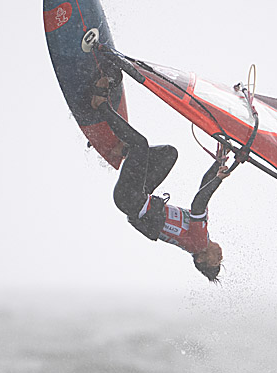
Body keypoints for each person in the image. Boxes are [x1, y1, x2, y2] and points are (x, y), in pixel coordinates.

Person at [90, 64, 228, 282]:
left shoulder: (198, 243)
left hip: (132, 200)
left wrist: (219, 179)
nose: (220, 256)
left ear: (201, 260)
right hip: (137, 196)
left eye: (215, 261)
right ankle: (123, 151)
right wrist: (218, 163)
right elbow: (203, 187)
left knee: (141, 145)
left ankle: (101, 104)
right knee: (169, 155)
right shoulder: (198, 235)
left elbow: (199, 202)